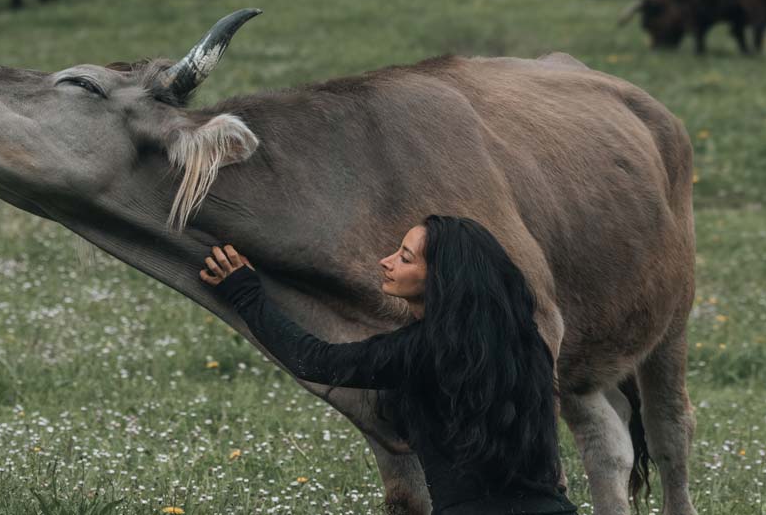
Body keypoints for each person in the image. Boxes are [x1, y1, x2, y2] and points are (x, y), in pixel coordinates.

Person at [199, 215, 577, 515]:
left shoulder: (422, 350)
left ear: (442, 279)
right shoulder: (526, 343)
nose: (387, 261)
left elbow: (313, 359)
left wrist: (245, 293)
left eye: (405, 257)